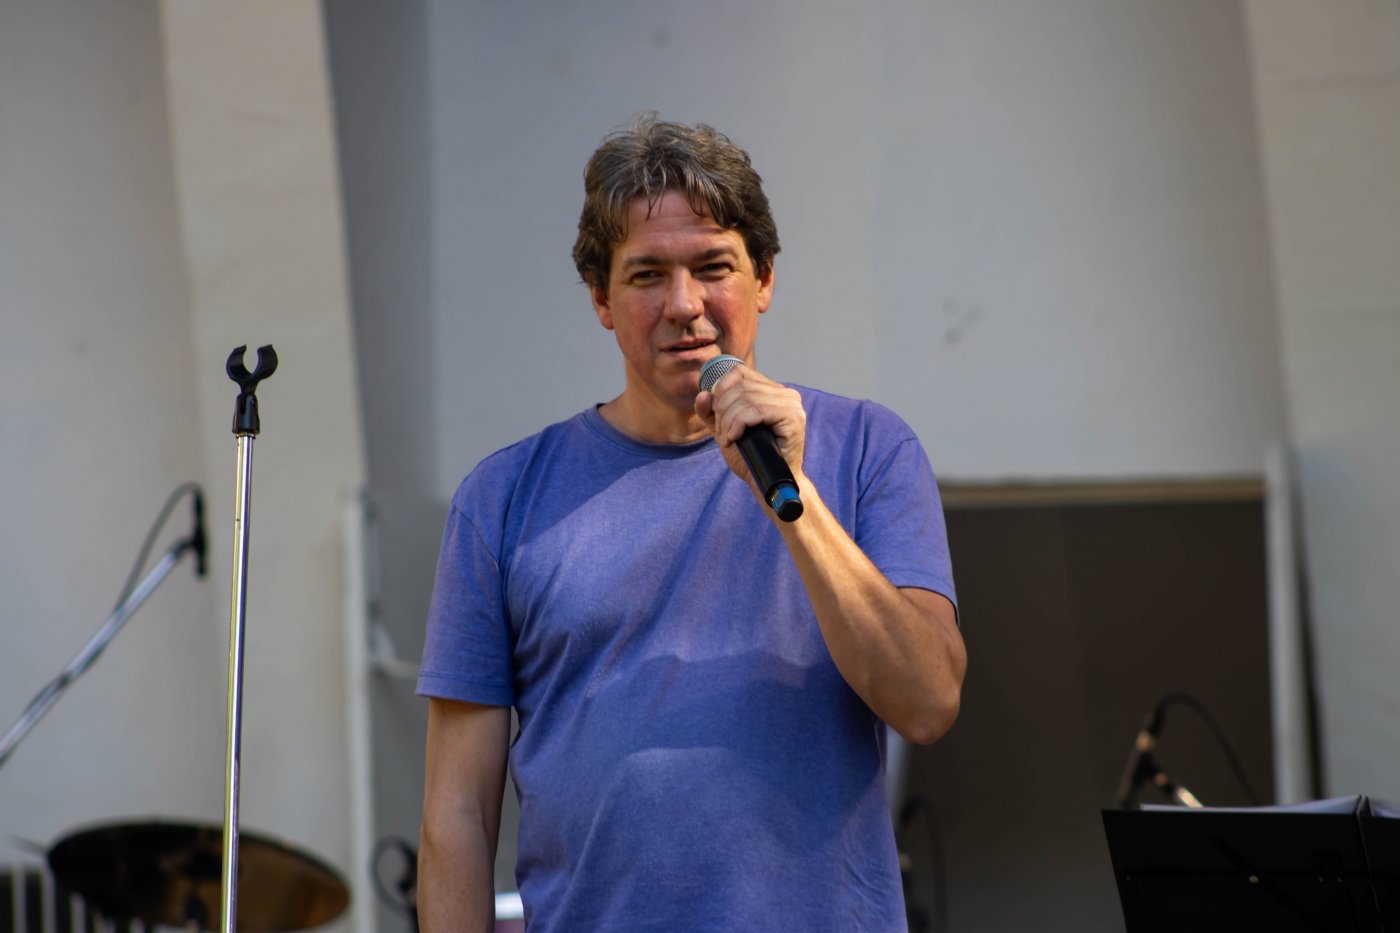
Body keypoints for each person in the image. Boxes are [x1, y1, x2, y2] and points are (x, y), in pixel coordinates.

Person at [416, 114, 966, 932]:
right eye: (647, 275)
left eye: (713, 266)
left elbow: (926, 701)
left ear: (764, 278)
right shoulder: (501, 498)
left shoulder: (869, 450)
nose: (685, 305)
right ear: (600, 299)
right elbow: (457, 812)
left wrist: (793, 496)